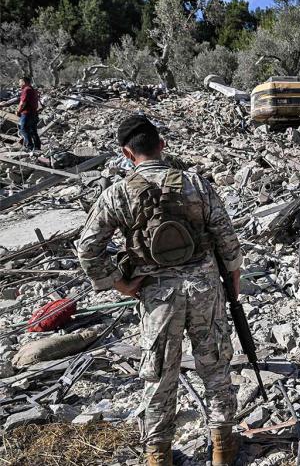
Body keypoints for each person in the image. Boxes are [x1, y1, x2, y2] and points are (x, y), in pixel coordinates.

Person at [76, 116, 242, 466]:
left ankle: (157, 455)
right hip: (203, 288)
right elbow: (226, 237)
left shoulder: (117, 193)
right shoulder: (195, 183)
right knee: (215, 369)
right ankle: (222, 448)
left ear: (126, 153)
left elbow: (88, 248)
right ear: (161, 145)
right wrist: (233, 282)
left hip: (156, 297)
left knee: (159, 377)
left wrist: (118, 283)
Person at [16, 77, 41, 151]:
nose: (19, 84)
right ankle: (37, 147)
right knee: (33, 131)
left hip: (27, 113)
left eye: (20, 82)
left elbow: (23, 102)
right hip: (34, 113)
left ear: (24, 82)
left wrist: (18, 111)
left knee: (23, 129)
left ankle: (30, 147)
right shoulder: (33, 90)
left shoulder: (26, 90)